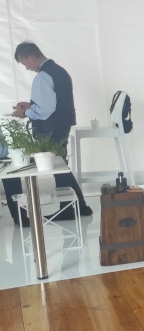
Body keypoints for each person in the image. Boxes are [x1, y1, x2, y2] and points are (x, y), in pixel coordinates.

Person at [6, 43, 92, 223]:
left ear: (32, 57)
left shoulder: (43, 76)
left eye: (25, 63)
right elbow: (55, 102)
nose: (27, 68)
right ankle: (81, 207)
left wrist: (26, 112)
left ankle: (68, 210)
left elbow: (45, 110)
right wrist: (31, 105)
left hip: (50, 129)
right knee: (62, 166)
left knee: (58, 169)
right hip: (62, 126)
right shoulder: (60, 71)